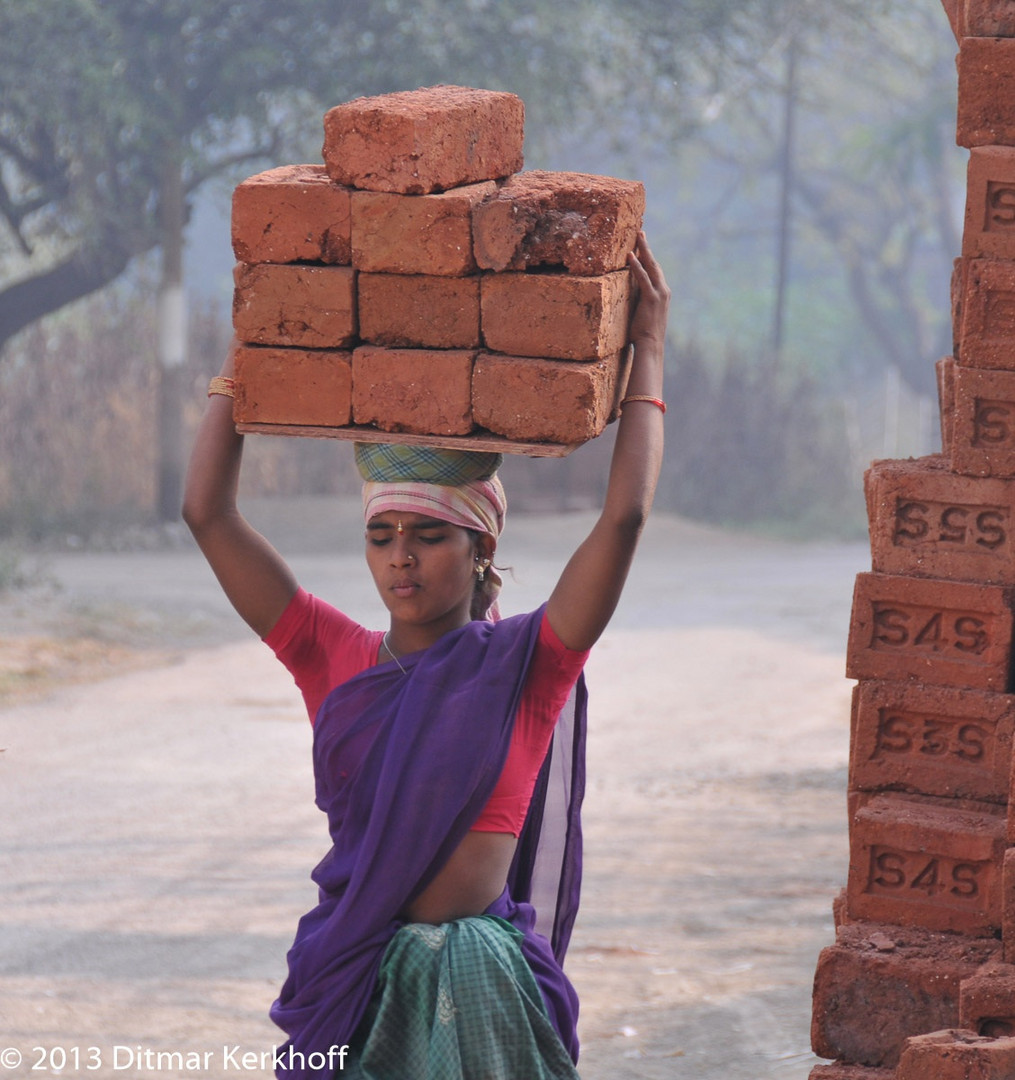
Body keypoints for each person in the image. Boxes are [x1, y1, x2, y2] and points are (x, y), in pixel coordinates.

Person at [182, 232, 670, 1079]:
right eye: (381, 535)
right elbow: (207, 515)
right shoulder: (329, 654)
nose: (400, 557)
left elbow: (620, 520)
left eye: (428, 535)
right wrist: (248, 353)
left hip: (481, 986)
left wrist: (649, 354)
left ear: (479, 548)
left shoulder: (528, 664)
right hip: (356, 982)